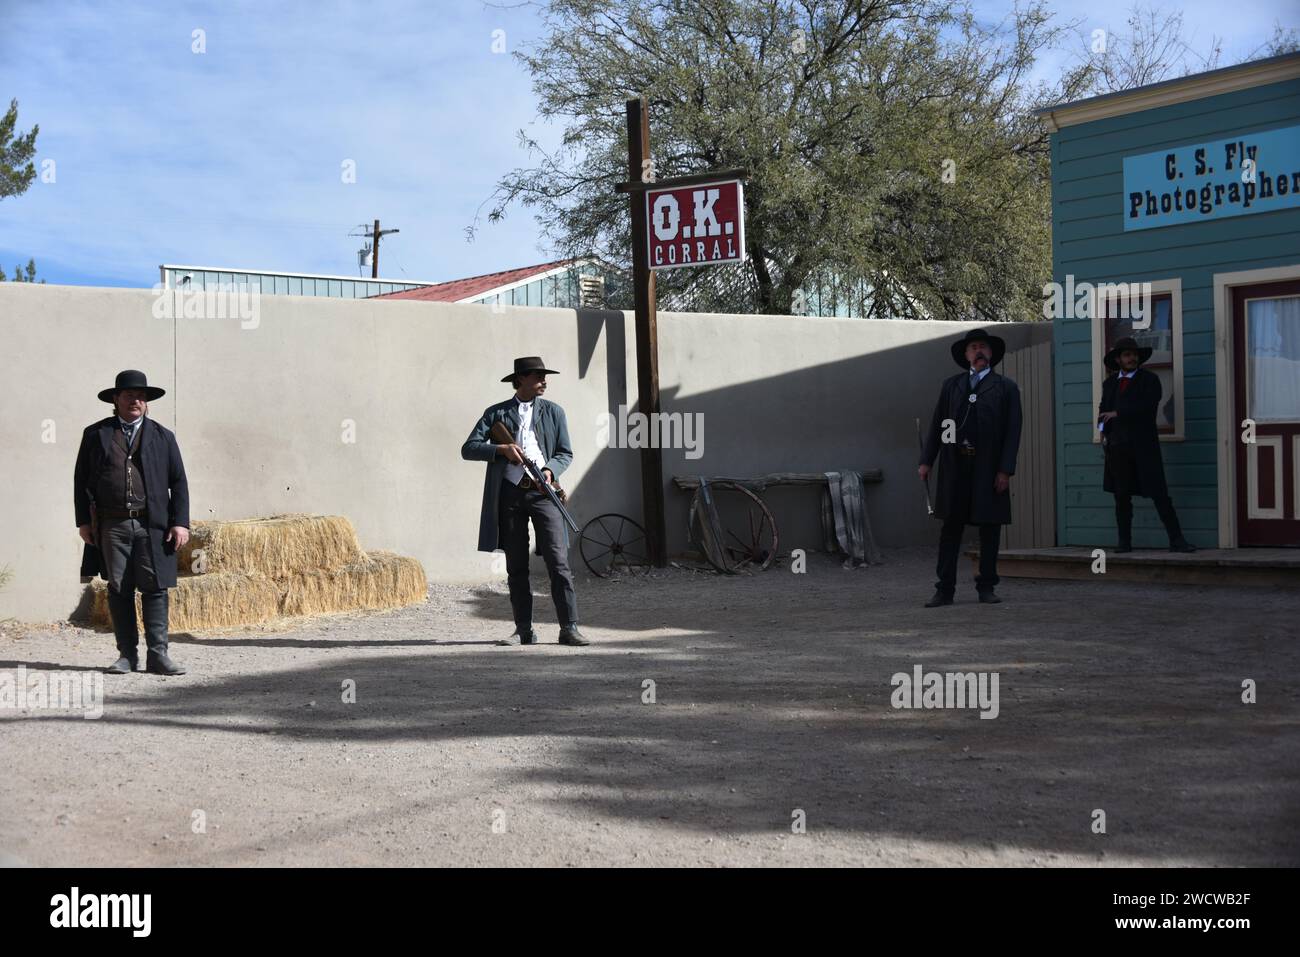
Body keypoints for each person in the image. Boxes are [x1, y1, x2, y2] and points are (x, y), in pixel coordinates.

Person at [461, 357, 588, 646]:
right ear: (521, 380)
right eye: (537, 376)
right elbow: (468, 448)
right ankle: (523, 630)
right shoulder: (495, 413)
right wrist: (502, 449)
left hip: (544, 493)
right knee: (516, 566)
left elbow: (565, 453)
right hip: (509, 494)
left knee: (558, 563)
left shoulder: (555, 412)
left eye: (544, 376)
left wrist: (549, 470)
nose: (544, 381)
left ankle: (569, 627)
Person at [74, 370, 191, 674]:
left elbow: (178, 482)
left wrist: (180, 522)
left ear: (147, 402)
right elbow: (81, 481)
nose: (135, 401)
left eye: (141, 396)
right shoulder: (95, 435)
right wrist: (83, 521)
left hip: (153, 525)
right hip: (112, 526)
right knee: (118, 588)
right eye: (128, 396)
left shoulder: (163, 437)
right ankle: (127, 655)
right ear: (116, 399)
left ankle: (158, 655)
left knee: (154, 588)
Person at [918, 329, 1023, 606]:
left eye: (983, 348)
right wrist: (927, 460)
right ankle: (944, 590)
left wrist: (1005, 470)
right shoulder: (951, 386)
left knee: (989, 528)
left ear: (991, 354)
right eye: (974, 347)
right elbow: (939, 424)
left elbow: (1013, 433)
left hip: (989, 468)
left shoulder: (1006, 388)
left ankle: (986, 587)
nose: (979, 352)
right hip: (955, 465)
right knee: (951, 528)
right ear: (966, 355)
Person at [1097, 337, 1196, 553]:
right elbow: (1103, 410)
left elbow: (1147, 408)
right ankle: (1124, 542)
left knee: (1159, 493)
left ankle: (1177, 540)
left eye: (1134, 354)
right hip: (1118, 448)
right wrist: (1103, 433)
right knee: (1121, 496)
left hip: (1144, 446)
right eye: (1127, 354)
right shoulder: (1110, 384)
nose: (1132, 358)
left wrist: (1119, 414)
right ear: (1118, 359)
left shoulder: (1149, 380)